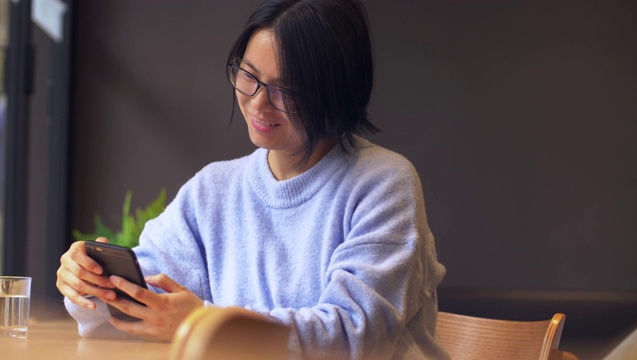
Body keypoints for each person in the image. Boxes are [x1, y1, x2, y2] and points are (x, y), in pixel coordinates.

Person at [56, 0, 448, 358]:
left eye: (285, 90)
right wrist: (91, 285)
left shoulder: (383, 183)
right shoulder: (214, 189)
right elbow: (143, 305)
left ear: (336, 91)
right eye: (249, 75)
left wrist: (203, 323)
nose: (258, 102)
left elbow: (354, 337)